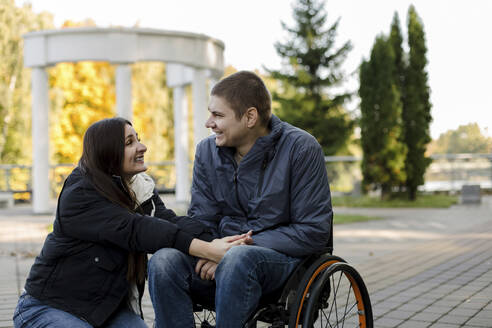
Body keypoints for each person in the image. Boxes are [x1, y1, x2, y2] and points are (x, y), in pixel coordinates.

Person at [13, 117, 251, 328]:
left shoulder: (137, 187)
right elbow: (138, 229)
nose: (142, 147)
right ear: (108, 152)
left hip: (104, 311)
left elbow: (170, 222)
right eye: (129, 143)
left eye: (138, 139)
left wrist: (221, 245)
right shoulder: (81, 193)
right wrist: (208, 250)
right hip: (49, 308)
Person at [148, 71, 333, 327]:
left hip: (283, 262)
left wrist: (234, 250)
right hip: (221, 253)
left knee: (237, 261)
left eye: (218, 115)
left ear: (250, 117)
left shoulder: (301, 149)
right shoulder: (206, 152)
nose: (208, 123)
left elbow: (312, 231)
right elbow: (202, 219)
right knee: (163, 261)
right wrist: (214, 250)